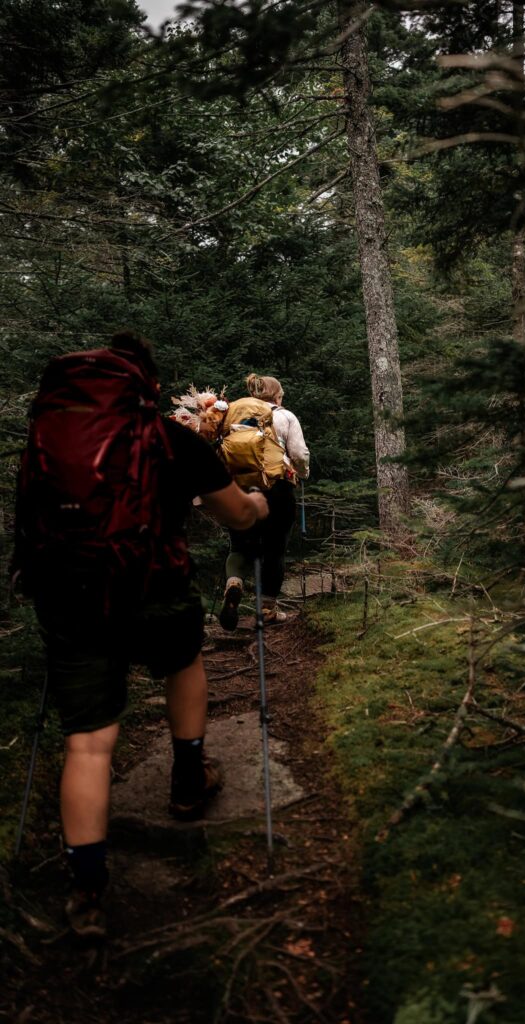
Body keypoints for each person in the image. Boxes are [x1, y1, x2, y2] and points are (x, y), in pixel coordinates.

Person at [13, 331, 268, 939]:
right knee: (183, 663)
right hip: (156, 589)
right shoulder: (166, 436)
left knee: (88, 743)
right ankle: (187, 781)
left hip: (70, 600)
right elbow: (233, 511)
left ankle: (87, 890)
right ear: (146, 385)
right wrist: (258, 505)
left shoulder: (47, 439)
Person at [219, 373, 309, 630]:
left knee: (239, 545)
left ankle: (234, 582)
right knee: (274, 548)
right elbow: (299, 454)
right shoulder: (284, 415)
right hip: (276, 489)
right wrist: (302, 473)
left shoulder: (233, 413)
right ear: (277, 395)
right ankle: (267, 609)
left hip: (239, 488)